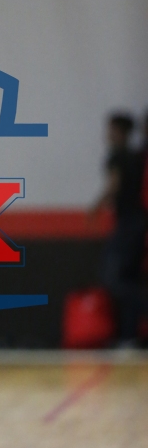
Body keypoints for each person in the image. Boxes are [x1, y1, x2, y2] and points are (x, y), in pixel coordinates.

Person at [91, 112, 147, 348]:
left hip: (128, 225)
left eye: (111, 130)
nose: (108, 134)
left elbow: (114, 185)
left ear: (121, 132)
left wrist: (95, 207)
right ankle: (129, 336)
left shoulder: (117, 156)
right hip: (139, 223)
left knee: (112, 278)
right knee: (129, 278)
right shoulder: (137, 157)